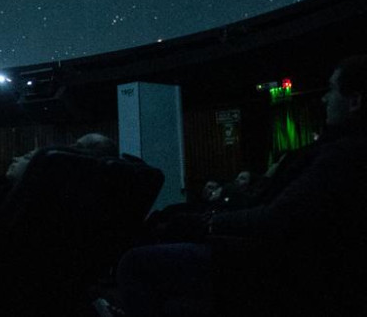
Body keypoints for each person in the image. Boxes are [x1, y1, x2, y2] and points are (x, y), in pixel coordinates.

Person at [113, 56, 367, 316]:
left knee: (133, 264)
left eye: (332, 89)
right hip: (273, 259)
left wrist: (208, 224)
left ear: (355, 101)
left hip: (271, 267)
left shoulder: (344, 154)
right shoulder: (340, 151)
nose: (325, 99)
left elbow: (278, 216)